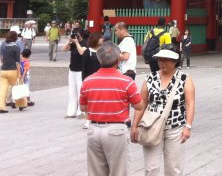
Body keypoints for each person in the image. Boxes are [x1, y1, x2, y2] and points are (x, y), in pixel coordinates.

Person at [80, 41, 145, 176]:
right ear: (117, 59)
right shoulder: (126, 81)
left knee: (95, 172)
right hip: (116, 130)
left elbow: (83, 107)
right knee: (119, 172)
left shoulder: (87, 81)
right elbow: (139, 105)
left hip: (93, 130)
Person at [131, 47, 196, 176]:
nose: (162, 63)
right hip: (151, 127)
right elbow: (142, 103)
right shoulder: (150, 78)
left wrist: (188, 126)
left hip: (175, 128)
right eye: (160, 59)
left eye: (166, 60)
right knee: (151, 168)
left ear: (174, 61)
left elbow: (190, 104)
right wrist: (135, 125)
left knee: (174, 169)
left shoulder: (185, 78)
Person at [63, 28, 87, 118]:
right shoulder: (72, 44)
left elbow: (81, 52)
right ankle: (71, 112)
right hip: (72, 70)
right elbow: (64, 49)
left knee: (80, 92)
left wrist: (77, 42)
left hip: (80, 71)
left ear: (80, 35)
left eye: (76, 34)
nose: (74, 35)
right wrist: (69, 41)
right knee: (72, 92)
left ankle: (81, 112)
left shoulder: (85, 43)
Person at [0, 30, 21, 113]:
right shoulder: (16, 48)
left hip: (3, 70)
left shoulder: (4, 47)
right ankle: (18, 103)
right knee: (16, 87)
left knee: (3, 90)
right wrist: (19, 73)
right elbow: (17, 62)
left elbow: (2, 59)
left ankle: (1, 107)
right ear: (15, 38)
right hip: (12, 70)